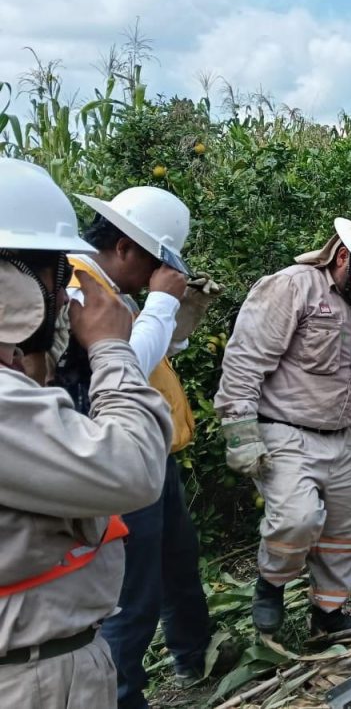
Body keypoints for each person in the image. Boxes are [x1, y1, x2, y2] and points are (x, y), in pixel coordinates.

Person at [0, 159, 173, 707]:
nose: (62, 297)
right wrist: (111, 346)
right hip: (33, 679)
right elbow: (133, 468)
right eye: (55, 275)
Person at [53, 186, 223, 708]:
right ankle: (122, 695)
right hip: (116, 458)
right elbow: (123, 363)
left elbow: (153, 349)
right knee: (133, 595)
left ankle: (194, 656)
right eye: (155, 263)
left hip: (150, 451)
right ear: (125, 247)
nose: (157, 275)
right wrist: (162, 301)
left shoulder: (110, 286)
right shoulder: (81, 288)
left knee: (177, 562)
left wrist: (175, 316)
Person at [215, 212, 351, 636]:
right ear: (343, 256)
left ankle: (328, 614)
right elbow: (245, 361)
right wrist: (240, 431)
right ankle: (272, 583)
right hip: (288, 430)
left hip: (345, 438)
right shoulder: (291, 287)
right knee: (297, 519)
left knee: (344, 531)